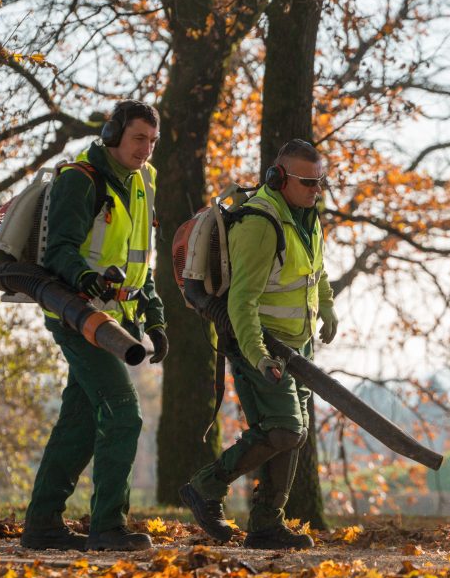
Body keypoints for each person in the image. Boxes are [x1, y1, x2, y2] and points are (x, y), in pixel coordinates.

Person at [20, 100, 167, 552]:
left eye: (153, 141)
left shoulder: (143, 182)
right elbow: (58, 251)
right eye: (138, 138)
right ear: (113, 134)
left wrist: (155, 317)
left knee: (80, 423)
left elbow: (142, 261)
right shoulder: (79, 181)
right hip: (78, 317)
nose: (145, 149)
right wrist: (84, 279)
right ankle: (107, 527)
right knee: (124, 412)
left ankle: (43, 525)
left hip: (118, 322)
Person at [180, 138, 337, 550]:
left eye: (320, 183)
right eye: (308, 182)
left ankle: (267, 524)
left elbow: (316, 272)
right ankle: (206, 486)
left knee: (292, 433)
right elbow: (241, 301)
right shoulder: (260, 224)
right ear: (278, 177)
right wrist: (258, 356)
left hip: (296, 347)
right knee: (285, 428)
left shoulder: (307, 217)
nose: (316, 190)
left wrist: (329, 310)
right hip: (257, 343)